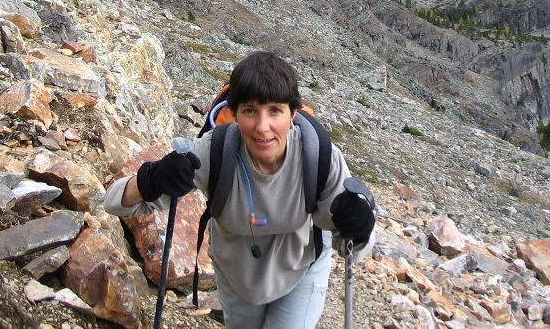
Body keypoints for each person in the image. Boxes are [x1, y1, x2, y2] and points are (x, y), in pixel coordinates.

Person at [104, 51, 376, 328]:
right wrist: (152, 179)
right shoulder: (214, 152)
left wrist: (361, 225)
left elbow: (352, 245)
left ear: (293, 113)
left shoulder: (319, 157)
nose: (262, 127)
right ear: (234, 114)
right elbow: (113, 202)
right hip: (237, 278)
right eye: (249, 111)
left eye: (275, 111)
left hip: (301, 272)